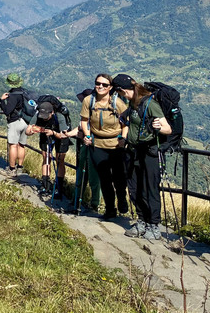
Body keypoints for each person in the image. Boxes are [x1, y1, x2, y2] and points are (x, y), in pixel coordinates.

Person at [114, 73, 172, 240]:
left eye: (119, 93)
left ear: (123, 90)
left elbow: (168, 129)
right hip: (135, 151)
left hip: (150, 152)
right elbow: (129, 118)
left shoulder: (150, 104)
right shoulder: (133, 103)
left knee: (150, 188)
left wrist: (158, 127)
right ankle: (142, 221)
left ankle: (153, 225)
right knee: (136, 188)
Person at [79, 73, 128, 220]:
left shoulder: (118, 103)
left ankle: (122, 198)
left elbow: (126, 123)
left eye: (104, 85)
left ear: (110, 87)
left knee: (118, 178)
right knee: (105, 179)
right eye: (98, 83)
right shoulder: (89, 101)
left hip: (116, 145)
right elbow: (84, 120)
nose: (100, 86)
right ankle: (110, 209)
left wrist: (123, 138)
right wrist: (87, 135)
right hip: (97, 145)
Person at [28, 95, 77, 201]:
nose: (44, 118)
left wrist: (53, 133)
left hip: (60, 135)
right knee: (46, 158)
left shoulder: (60, 116)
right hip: (45, 133)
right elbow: (27, 131)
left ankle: (59, 187)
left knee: (60, 160)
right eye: (42, 116)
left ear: (52, 112)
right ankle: (46, 185)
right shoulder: (38, 114)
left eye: (46, 116)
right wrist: (33, 130)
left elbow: (63, 135)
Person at [0, 73, 37, 177]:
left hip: (15, 122)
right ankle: (20, 168)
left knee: (13, 145)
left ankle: (12, 169)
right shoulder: (24, 92)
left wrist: (2, 101)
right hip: (26, 121)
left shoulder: (13, 95)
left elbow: (7, 111)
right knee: (21, 145)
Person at [72, 86, 102, 214]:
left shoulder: (92, 113)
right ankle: (93, 203)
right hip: (92, 145)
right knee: (92, 176)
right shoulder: (95, 111)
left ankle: (79, 200)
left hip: (91, 145)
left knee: (86, 174)